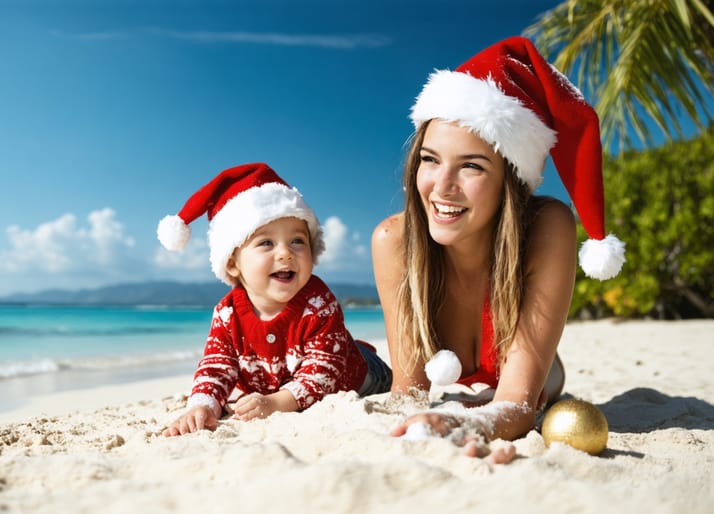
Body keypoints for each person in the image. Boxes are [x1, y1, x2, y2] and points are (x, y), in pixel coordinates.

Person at [371, 37, 625, 457]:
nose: (442, 186)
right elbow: (409, 390)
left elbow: (518, 405)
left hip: (538, 374)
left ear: (512, 181)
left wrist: (469, 421)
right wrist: (421, 421)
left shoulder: (547, 228)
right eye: (430, 160)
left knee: (539, 381)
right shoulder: (394, 241)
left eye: (471, 165)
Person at [157, 162, 392, 436]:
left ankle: (358, 350)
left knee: (380, 375)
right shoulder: (227, 313)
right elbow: (216, 365)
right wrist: (203, 405)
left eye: (297, 241)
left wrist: (275, 403)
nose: (285, 253)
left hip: (360, 374)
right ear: (232, 264)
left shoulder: (319, 303)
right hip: (288, 378)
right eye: (266, 243)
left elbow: (322, 373)